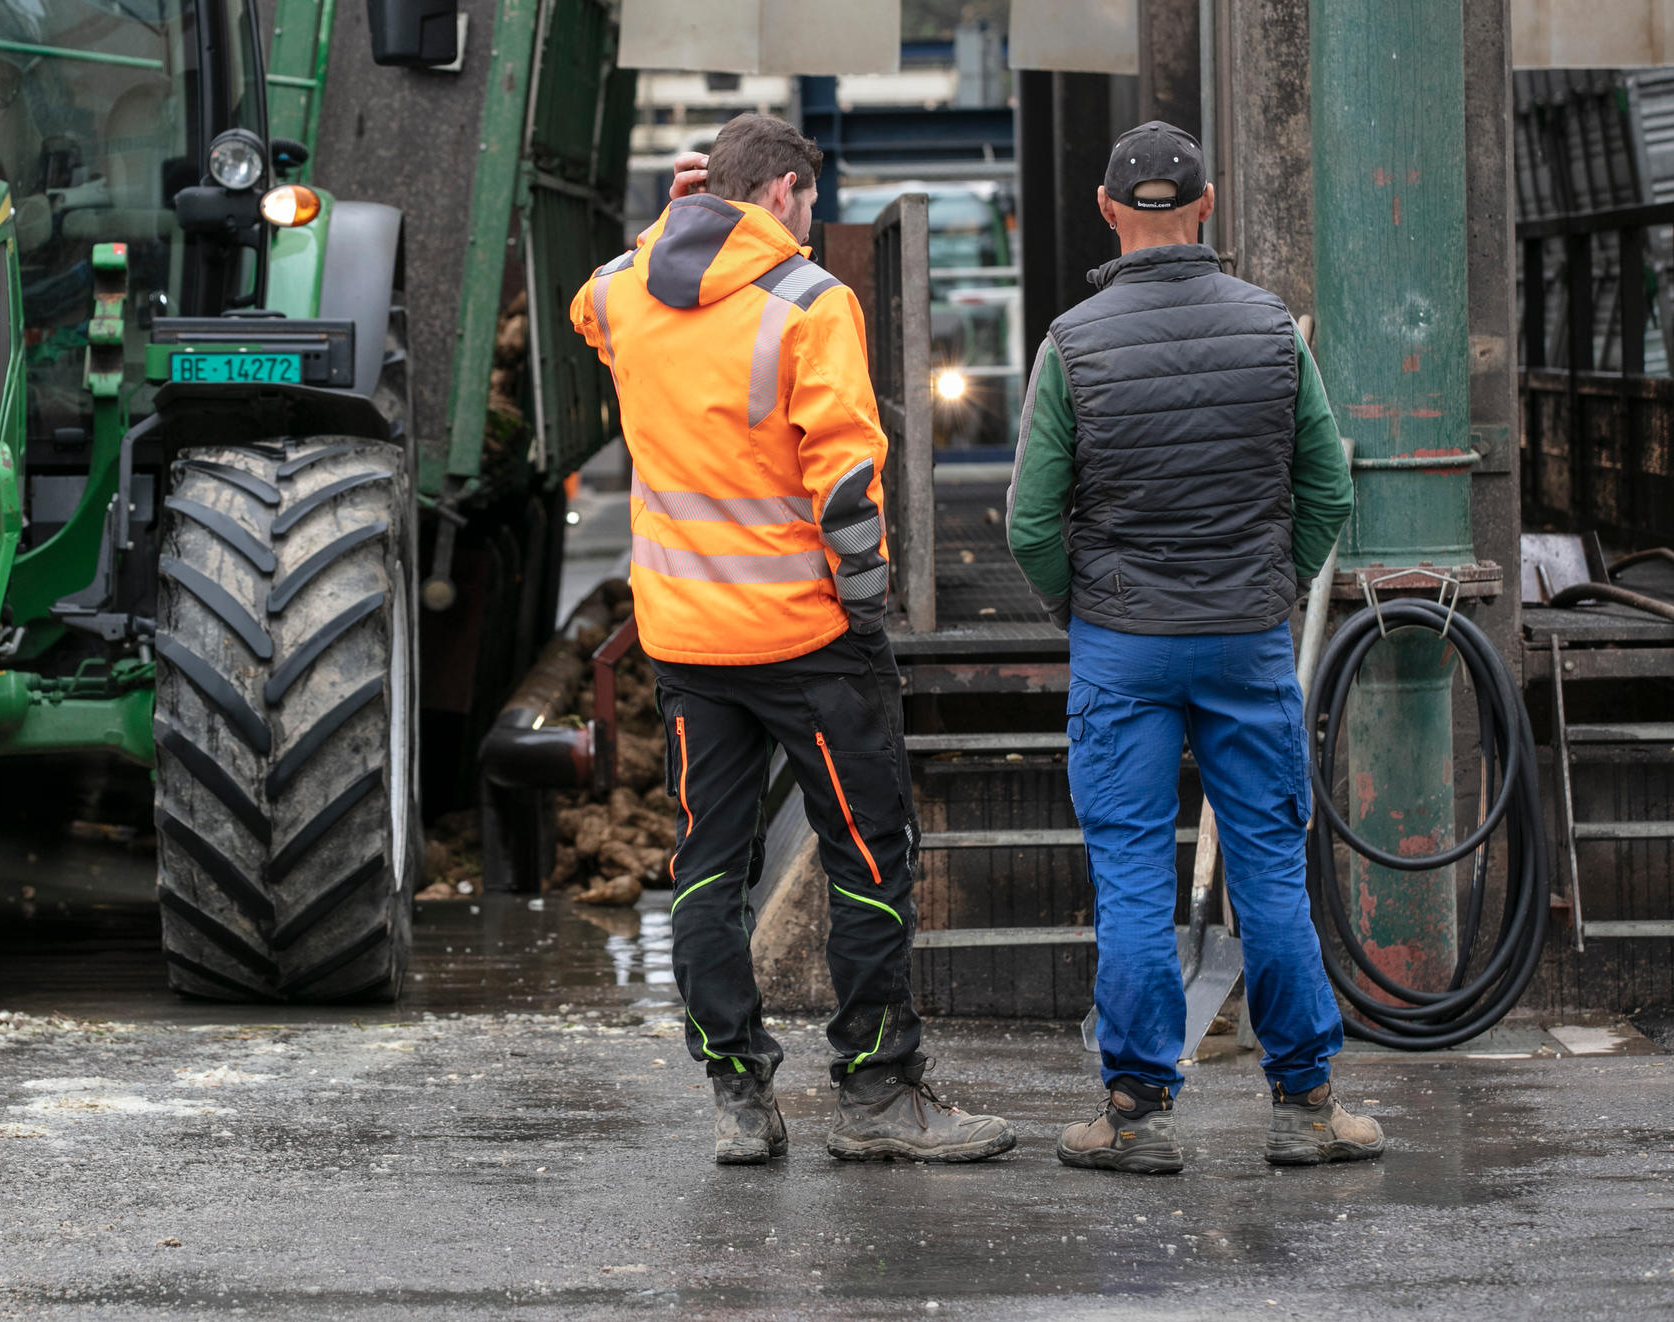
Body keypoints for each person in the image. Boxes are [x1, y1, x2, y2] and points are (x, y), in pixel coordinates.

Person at [574, 112, 1015, 1166]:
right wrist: (865, 604)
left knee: (704, 869)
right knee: (870, 858)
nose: (812, 222)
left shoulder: (630, 293)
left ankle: (738, 1094)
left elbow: (589, 299)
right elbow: (849, 483)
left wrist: (667, 225)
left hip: (684, 639)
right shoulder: (812, 302)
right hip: (804, 638)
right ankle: (873, 1093)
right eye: (807, 202)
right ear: (779, 193)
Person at [1006, 121, 1379, 1173]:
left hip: (1122, 642)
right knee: (1268, 869)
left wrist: (1082, 607)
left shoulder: (1072, 342)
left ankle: (1133, 1114)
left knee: (1130, 873)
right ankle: (1304, 1108)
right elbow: (1328, 491)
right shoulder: (1272, 331)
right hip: (1244, 636)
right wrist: (1273, 583)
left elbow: (1031, 525)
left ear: (1107, 209)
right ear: (1206, 205)